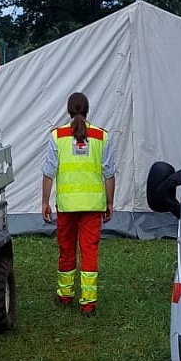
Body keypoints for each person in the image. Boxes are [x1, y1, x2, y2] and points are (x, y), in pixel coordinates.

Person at [40, 92, 116, 317]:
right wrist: (110, 202)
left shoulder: (57, 135)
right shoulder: (102, 136)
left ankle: (65, 295)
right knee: (89, 251)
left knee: (66, 249)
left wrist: (45, 201)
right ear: (87, 110)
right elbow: (109, 173)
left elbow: (48, 172)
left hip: (67, 205)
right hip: (93, 205)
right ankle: (88, 303)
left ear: (68, 110)